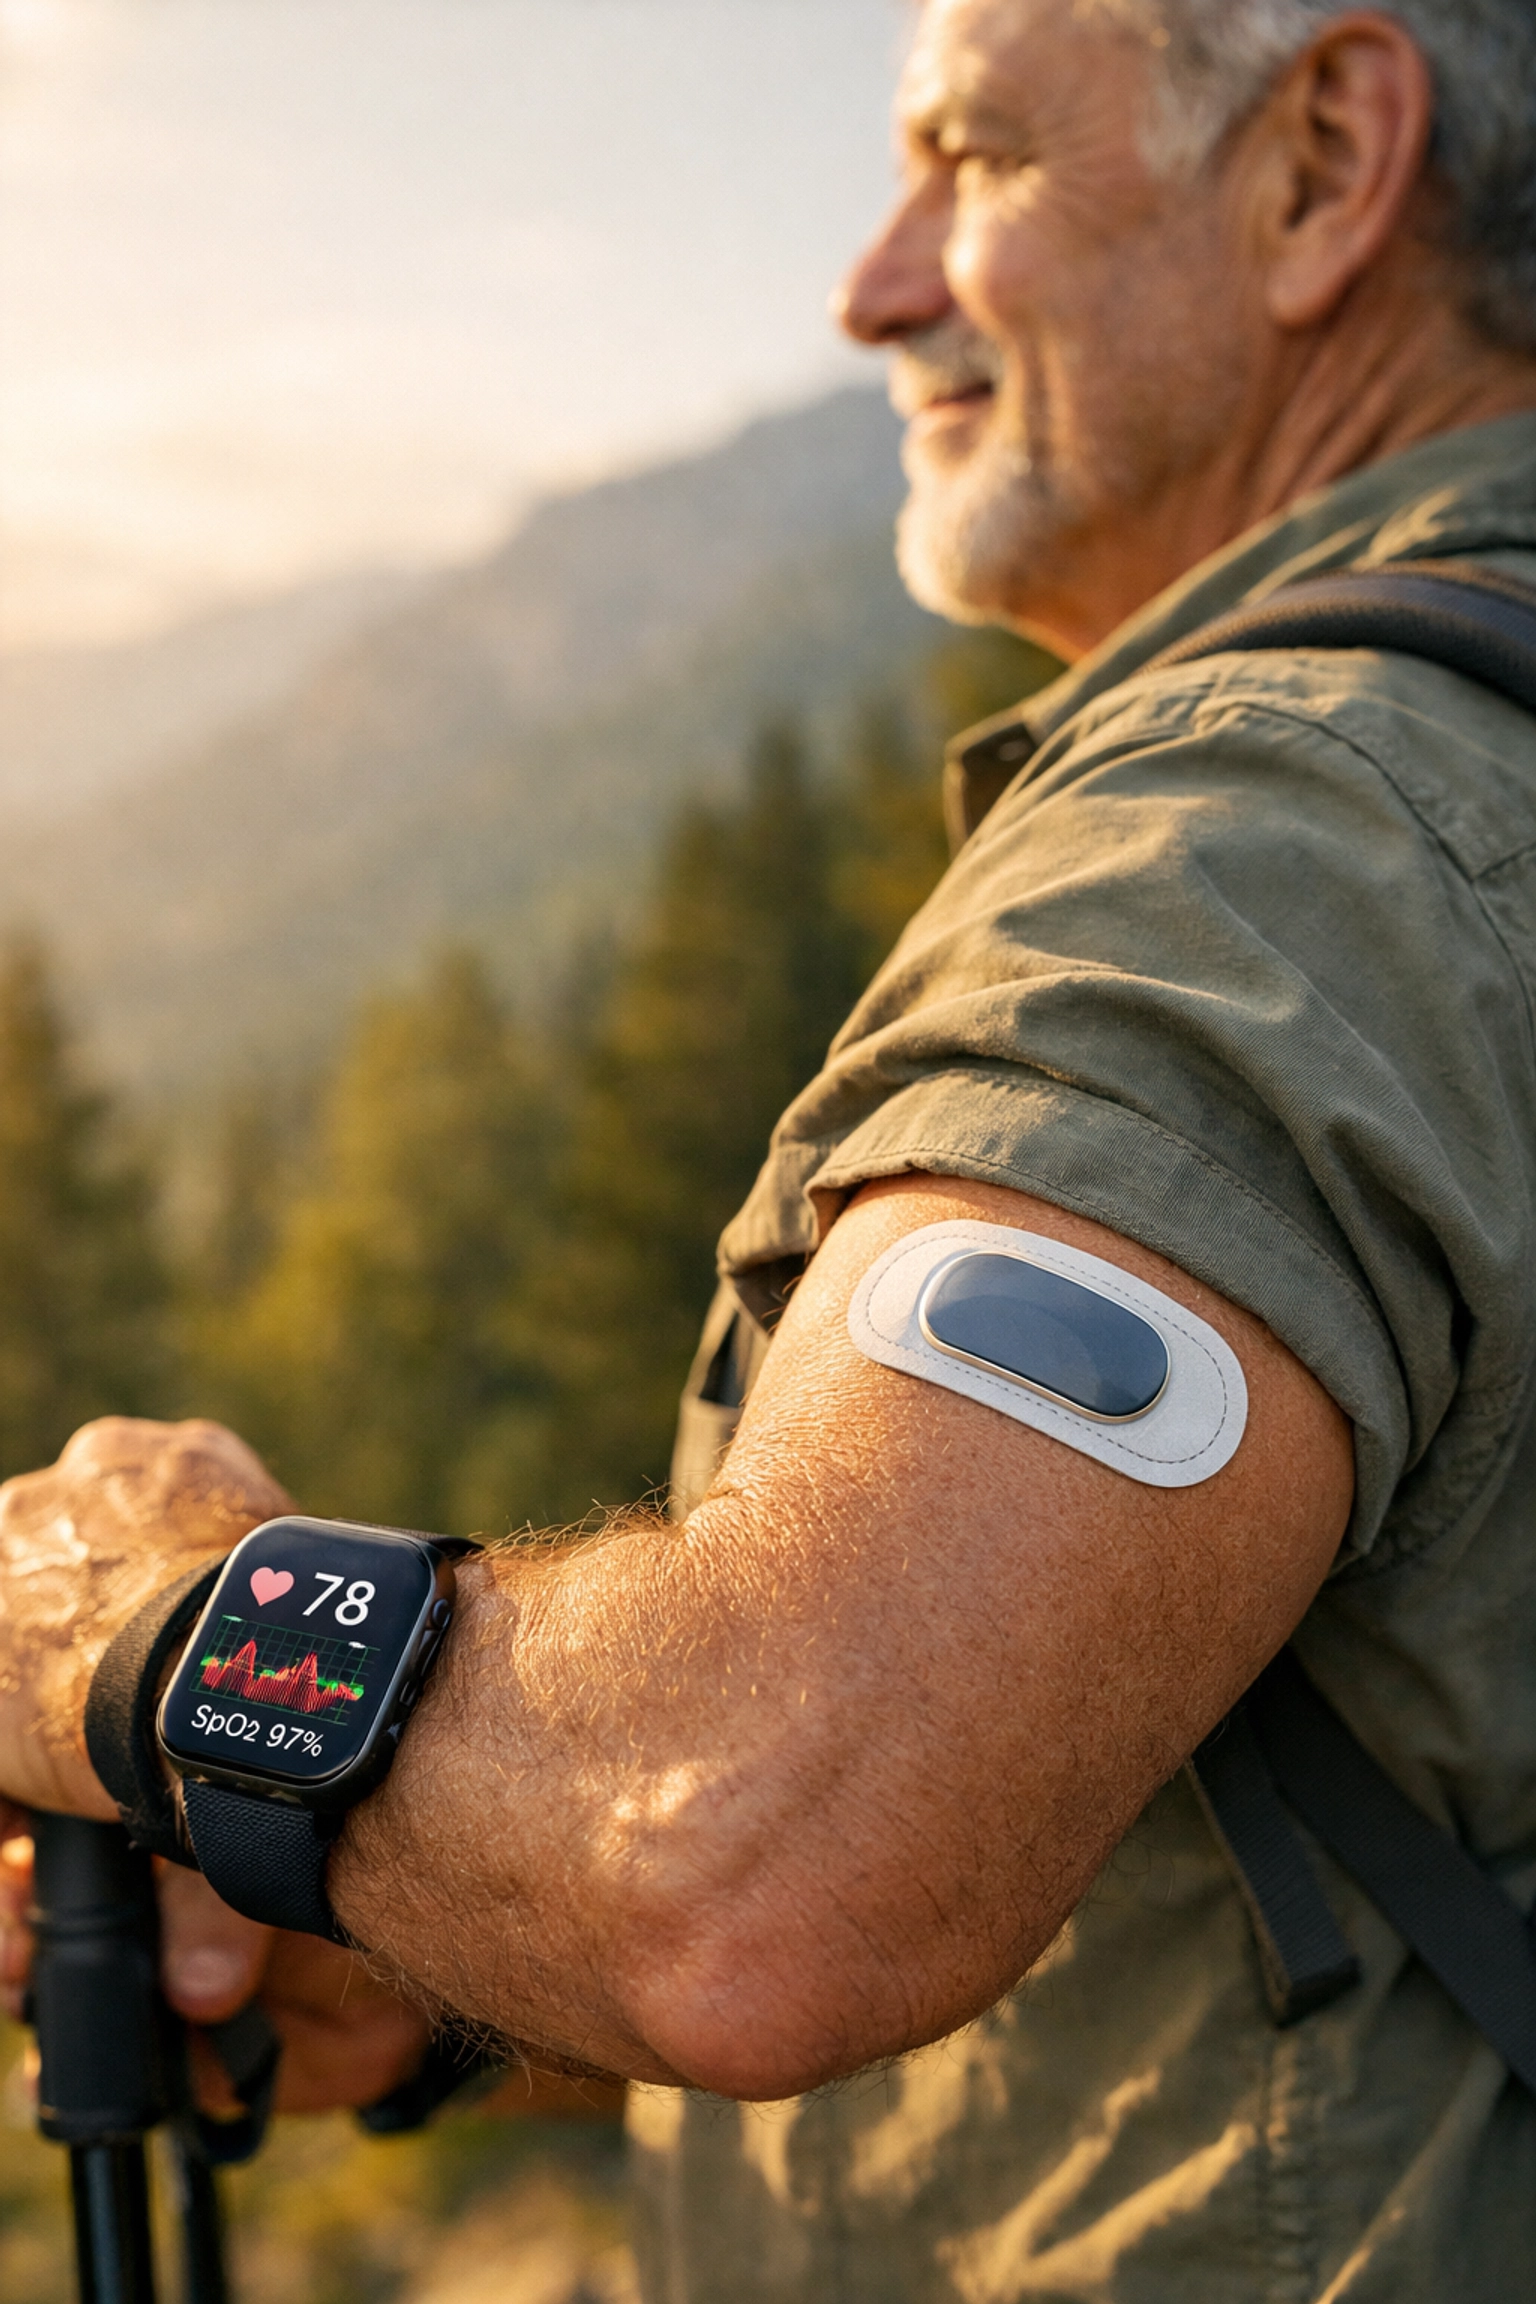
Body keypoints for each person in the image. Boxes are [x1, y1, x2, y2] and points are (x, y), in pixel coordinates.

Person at [4, 0, 1536, 2292]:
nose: (873, 279)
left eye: (975, 156)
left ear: (1322, 160)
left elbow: (757, 1859)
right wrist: (420, 1953)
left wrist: (135, 1630)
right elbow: (1213, 1851)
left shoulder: (1275, 849)